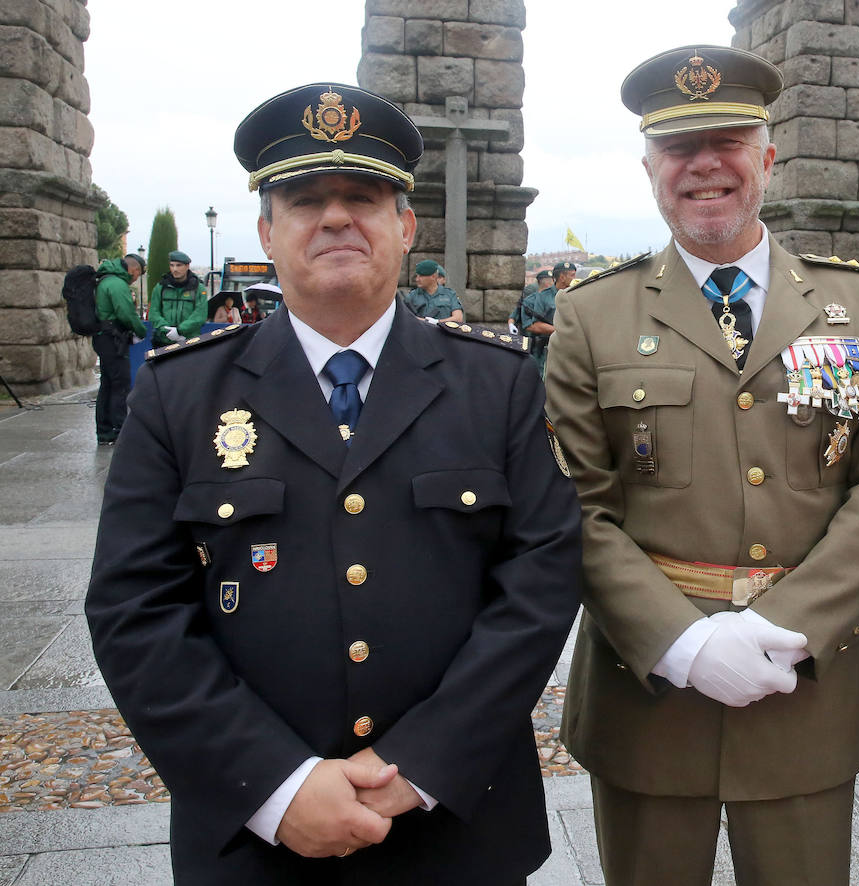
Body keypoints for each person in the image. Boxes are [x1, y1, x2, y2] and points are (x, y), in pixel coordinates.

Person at [85, 82, 582, 882]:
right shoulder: (180, 395)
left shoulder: (497, 384)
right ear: (267, 231)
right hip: (256, 839)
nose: (337, 217)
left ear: (405, 224)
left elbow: (542, 581)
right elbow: (133, 609)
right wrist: (277, 787)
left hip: (457, 824)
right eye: (306, 198)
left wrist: (420, 765)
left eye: (363, 196)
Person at [542, 45, 859, 885]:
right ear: (650, 167)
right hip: (646, 695)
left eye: (728, 140)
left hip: (806, 686)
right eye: (681, 147)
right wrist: (677, 642)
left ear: (767, 155)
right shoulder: (591, 316)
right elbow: (576, 504)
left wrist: (779, 627)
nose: (705, 165)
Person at [92, 253, 145, 445]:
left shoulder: (106, 280)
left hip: (103, 337)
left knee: (107, 384)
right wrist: (141, 330)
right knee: (119, 385)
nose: (136, 278)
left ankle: (105, 431)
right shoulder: (117, 284)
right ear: (134, 269)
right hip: (113, 339)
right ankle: (121, 430)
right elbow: (126, 313)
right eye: (138, 274)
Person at [518, 261, 571, 376]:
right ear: (561, 277)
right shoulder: (540, 298)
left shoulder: (573, 295)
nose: (573, 278)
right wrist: (560, 330)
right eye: (571, 275)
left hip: (566, 348)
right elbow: (531, 325)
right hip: (543, 348)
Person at [148, 249, 208, 347]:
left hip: (189, 341)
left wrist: (179, 330)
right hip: (163, 342)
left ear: (187, 266)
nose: (175, 269)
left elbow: (200, 315)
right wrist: (165, 329)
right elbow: (154, 313)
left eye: (179, 265)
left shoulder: (198, 288)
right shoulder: (161, 287)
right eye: (172, 265)